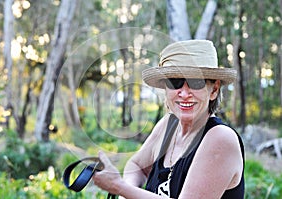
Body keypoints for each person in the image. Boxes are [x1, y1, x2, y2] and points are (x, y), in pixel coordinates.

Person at [93, 40, 245, 199]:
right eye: (175, 82)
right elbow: (137, 166)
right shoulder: (168, 125)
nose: (185, 94)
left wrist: (119, 187)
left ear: (213, 90)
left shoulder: (220, 139)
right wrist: (127, 191)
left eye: (196, 82)